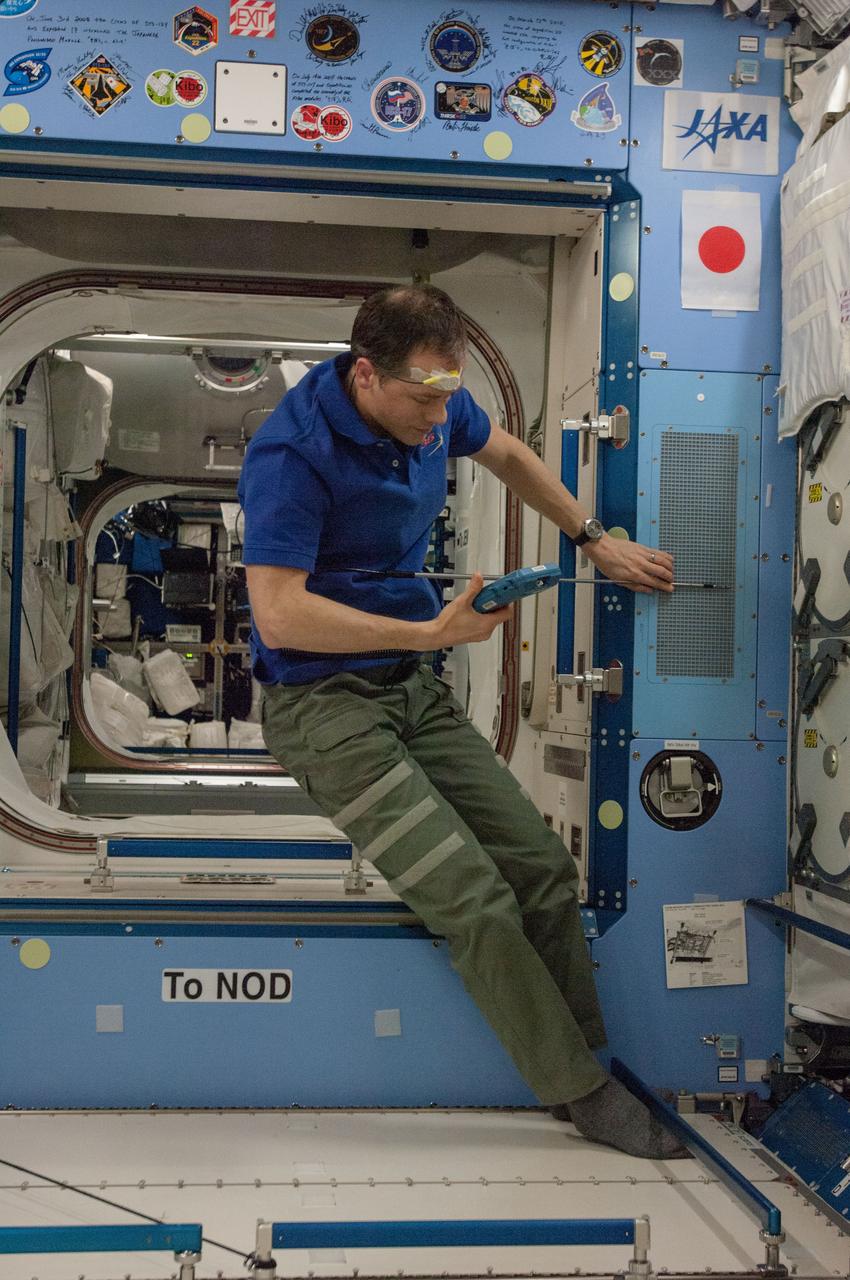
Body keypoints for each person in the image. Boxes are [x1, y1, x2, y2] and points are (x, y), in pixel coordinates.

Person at [239, 284, 685, 1159]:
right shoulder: (291, 455)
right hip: (323, 710)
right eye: (424, 399)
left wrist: (592, 537)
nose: (441, 419)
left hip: (407, 688)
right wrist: (431, 633)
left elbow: (506, 451)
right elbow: (280, 617)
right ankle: (582, 1093)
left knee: (543, 870)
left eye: (450, 397)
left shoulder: (434, 397)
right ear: (365, 376)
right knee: (476, 900)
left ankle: (584, 1060)